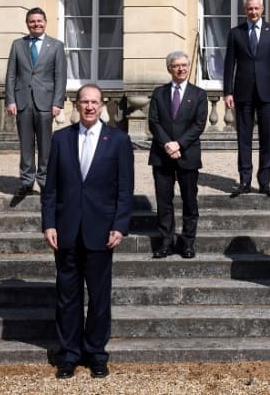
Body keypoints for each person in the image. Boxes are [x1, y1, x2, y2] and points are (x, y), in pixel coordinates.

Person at [41, 84, 134, 380]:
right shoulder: (61, 139)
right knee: (67, 297)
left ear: (102, 105)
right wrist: (49, 223)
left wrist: (120, 225)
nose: (89, 107)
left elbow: (124, 189)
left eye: (94, 102)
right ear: (76, 105)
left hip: (101, 230)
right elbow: (51, 187)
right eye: (84, 102)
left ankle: (95, 353)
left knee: (98, 297)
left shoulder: (118, 140)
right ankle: (68, 354)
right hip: (66, 230)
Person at [224, 0, 270, 197]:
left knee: (267, 138)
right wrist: (227, 92)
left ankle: (264, 181)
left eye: (256, 8)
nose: (253, 11)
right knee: (244, 138)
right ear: (245, 10)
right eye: (249, 8)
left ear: (262, 9)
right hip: (242, 93)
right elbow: (229, 64)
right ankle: (244, 180)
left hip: (267, 92)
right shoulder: (235, 33)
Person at [148, 51, 208, 259]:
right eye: (176, 65)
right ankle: (166, 242)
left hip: (187, 155)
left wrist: (179, 144)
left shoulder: (199, 94)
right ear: (169, 69)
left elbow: (199, 124)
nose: (181, 68)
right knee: (164, 201)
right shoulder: (159, 93)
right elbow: (153, 122)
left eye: (184, 65)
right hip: (161, 155)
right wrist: (167, 144)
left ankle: (188, 242)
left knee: (189, 201)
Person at [5, 7, 67, 198]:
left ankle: (45, 181)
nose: (36, 24)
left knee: (45, 144)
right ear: (27, 24)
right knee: (25, 144)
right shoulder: (17, 45)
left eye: (39, 21)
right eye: (32, 21)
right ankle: (26, 182)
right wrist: (10, 100)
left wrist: (58, 102)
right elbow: (11, 75)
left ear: (45, 22)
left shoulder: (56, 46)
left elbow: (60, 76)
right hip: (22, 102)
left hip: (46, 103)